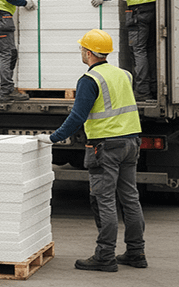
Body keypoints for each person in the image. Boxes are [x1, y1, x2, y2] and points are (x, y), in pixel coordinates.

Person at [37, 29, 147, 272]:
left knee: (104, 200)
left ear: (88, 53)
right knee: (130, 198)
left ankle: (105, 255)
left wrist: (53, 138)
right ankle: (136, 252)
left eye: (82, 49)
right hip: (131, 143)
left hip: (105, 147)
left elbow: (77, 116)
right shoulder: (124, 75)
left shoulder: (90, 80)